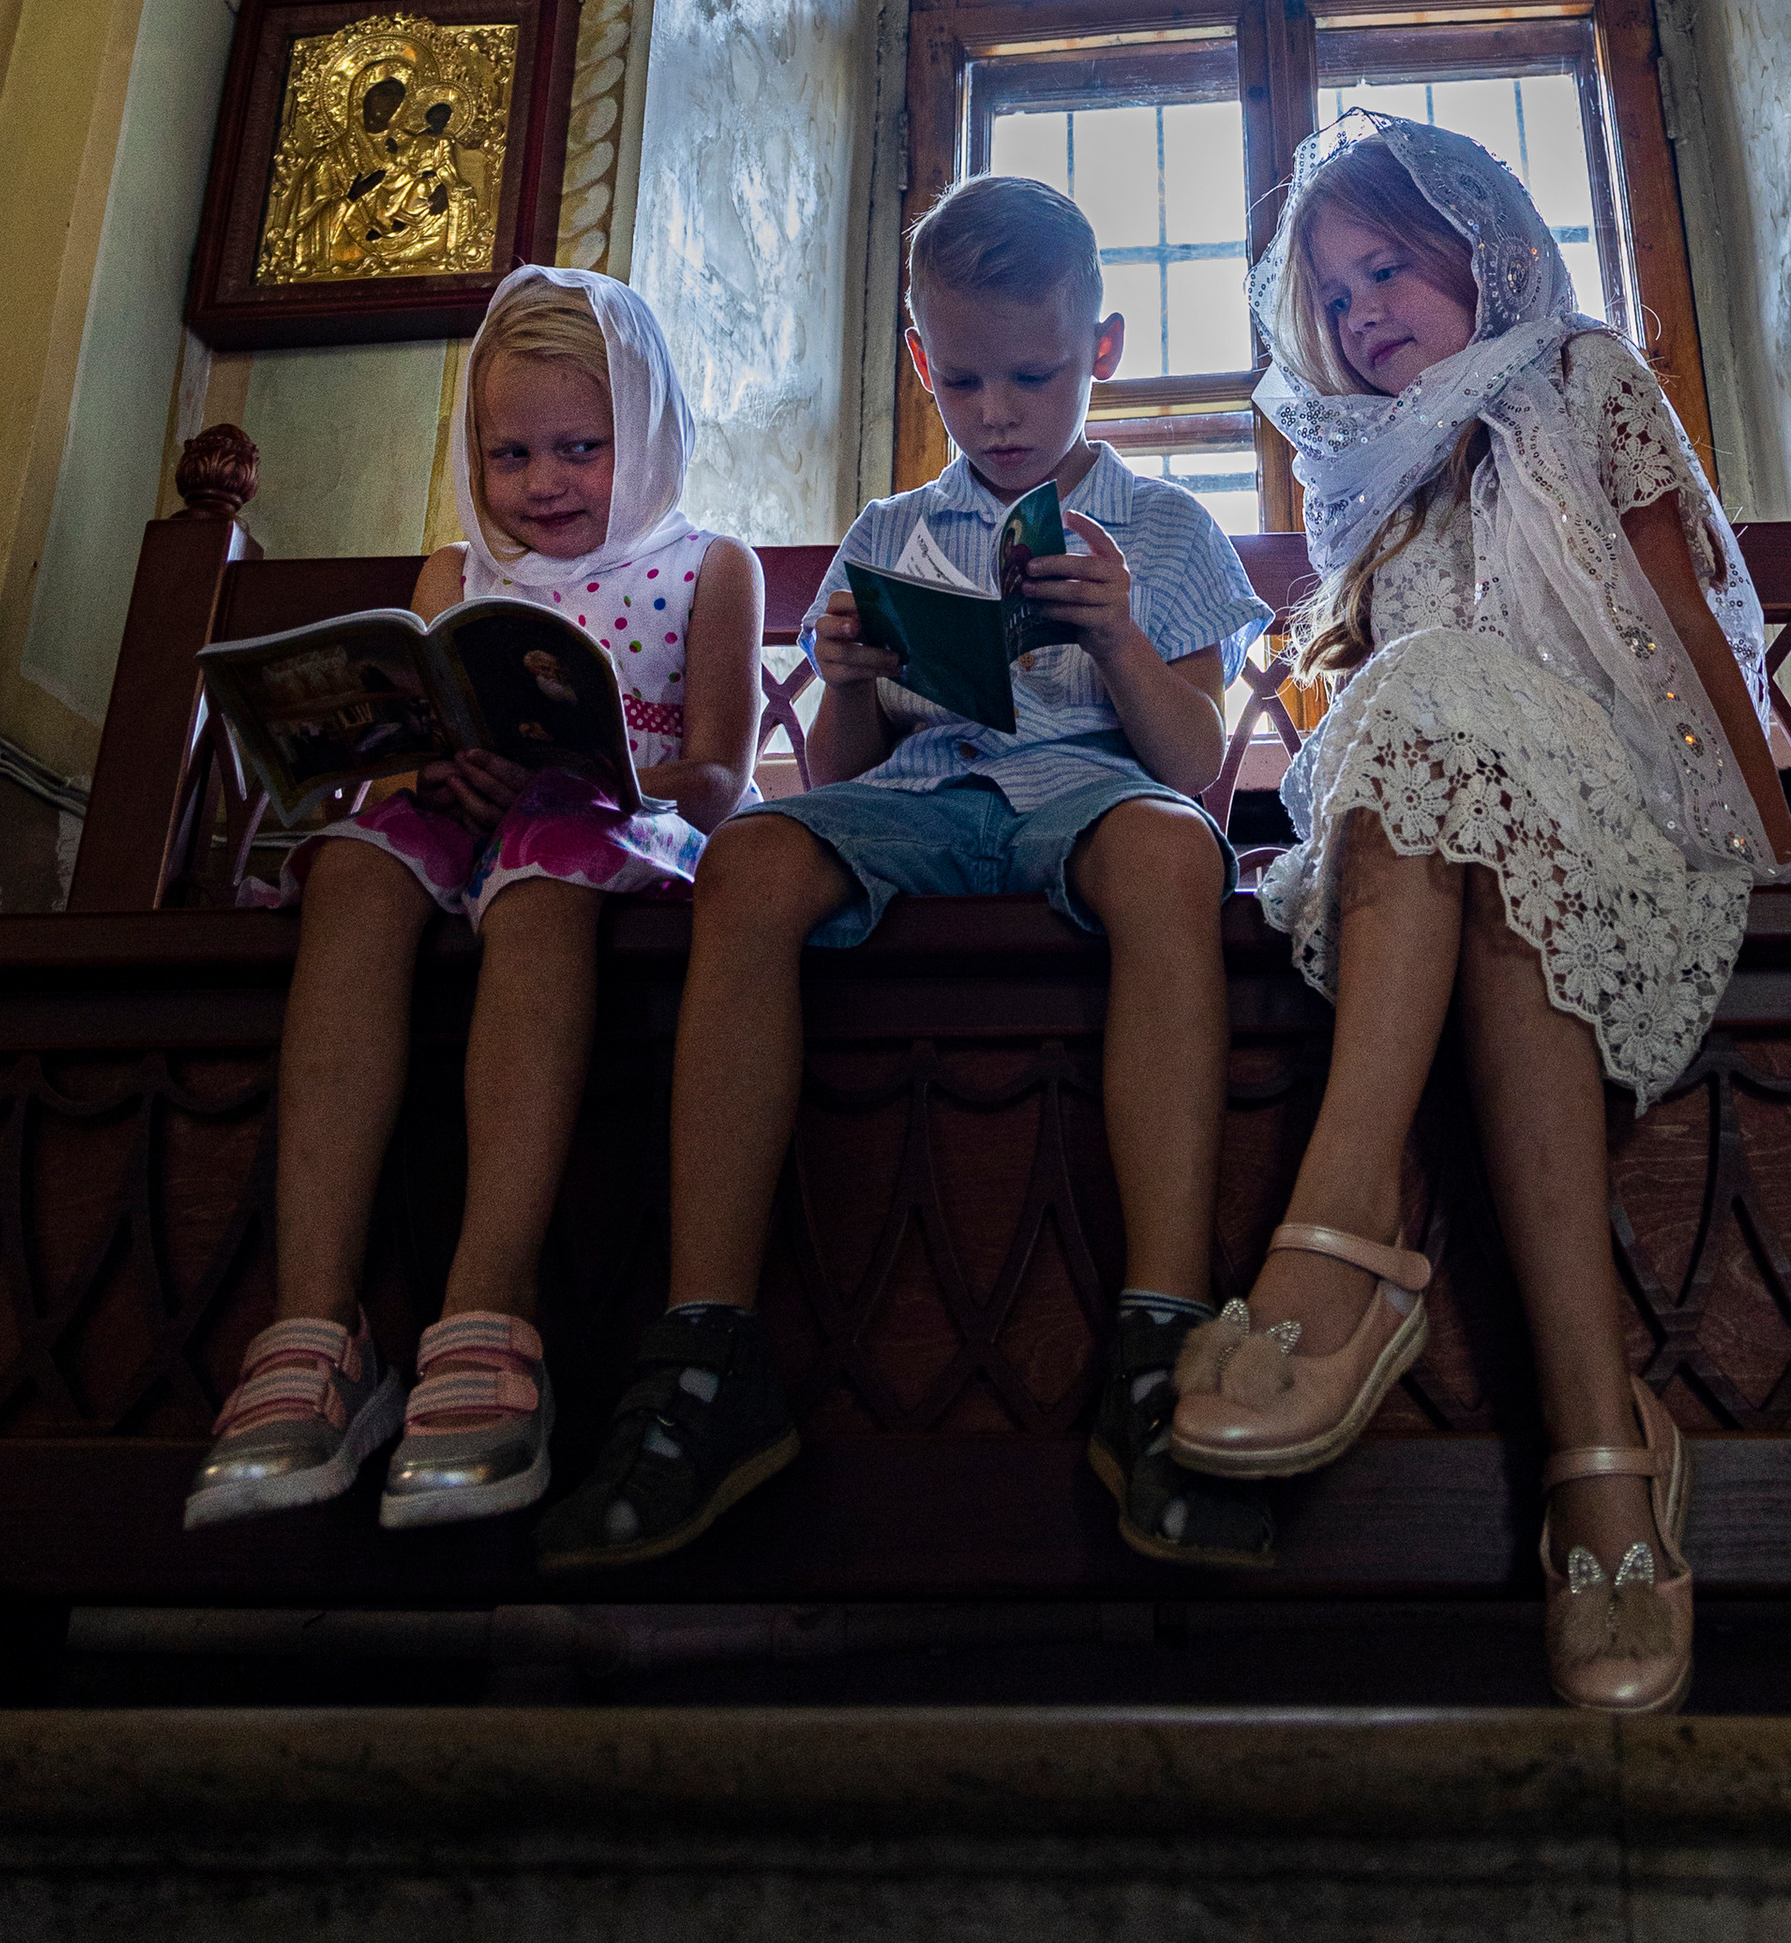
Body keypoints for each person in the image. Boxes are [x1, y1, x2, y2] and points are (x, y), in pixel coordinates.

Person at [535, 173, 1277, 1579]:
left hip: (1096, 797)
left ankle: (1163, 1332)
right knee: (752, 857)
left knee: (1178, 856)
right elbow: (837, 782)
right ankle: (705, 1348)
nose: (999, 411)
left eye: (1037, 375)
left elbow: (1192, 771)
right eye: (967, 380)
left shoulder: (1168, 527)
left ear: (1101, 350)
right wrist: (851, 675)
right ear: (924, 359)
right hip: (923, 799)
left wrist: (1119, 637)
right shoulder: (889, 533)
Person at [1164, 113, 1791, 1716]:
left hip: (1638, 796)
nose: (1367, 309)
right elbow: (1366, 713)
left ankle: (1348, 1236)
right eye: (1336, 292)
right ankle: (1603, 1439)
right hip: (1467, 840)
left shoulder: (1577, 372)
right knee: (1464, 785)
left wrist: (1777, 832)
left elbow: (1668, 605)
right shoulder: (1369, 486)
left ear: (1479, 245)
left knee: (1462, 729)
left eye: (1390, 266)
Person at [184, 267, 763, 1535]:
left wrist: (584, 767)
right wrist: (418, 759)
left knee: (544, 874)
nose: (545, 482)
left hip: (604, 830)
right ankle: (313, 1329)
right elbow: (409, 726)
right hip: (463, 823)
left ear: (647, 432)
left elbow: (719, 778)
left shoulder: (707, 566)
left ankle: (482, 1314)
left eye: (581, 448)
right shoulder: (460, 568)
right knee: (352, 862)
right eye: (511, 453)